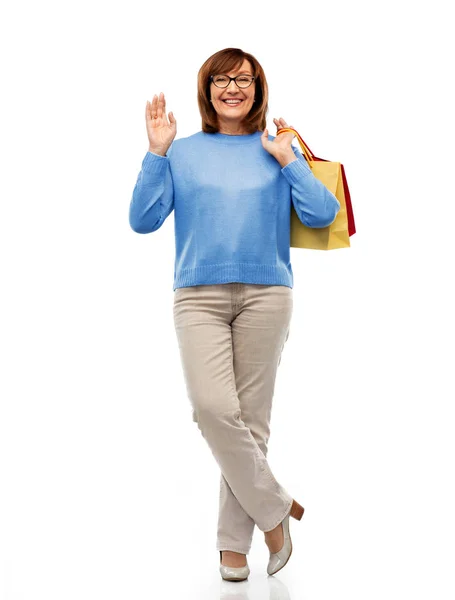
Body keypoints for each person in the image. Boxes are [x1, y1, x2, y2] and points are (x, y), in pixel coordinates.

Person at [129, 48, 340, 581]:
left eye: (243, 79)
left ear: (257, 87)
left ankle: (231, 548)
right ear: (207, 89)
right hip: (197, 295)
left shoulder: (276, 147)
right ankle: (276, 512)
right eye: (221, 79)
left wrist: (289, 159)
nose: (232, 87)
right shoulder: (183, 152)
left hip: (267, 294)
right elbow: (142, 220)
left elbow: (322, 213)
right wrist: (156, 153)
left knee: (250, 424)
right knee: (211, 409)